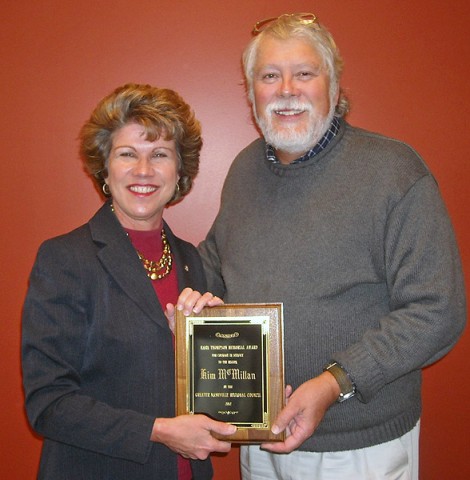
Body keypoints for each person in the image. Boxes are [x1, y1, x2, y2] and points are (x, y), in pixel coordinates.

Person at [195, 13, 467, 480]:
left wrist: (333, 383)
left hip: (359, 447)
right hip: (261, 441)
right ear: (251, 93)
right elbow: (215, 268)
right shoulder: (243, 170)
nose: (286, 90)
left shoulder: (394, 172)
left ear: (334, 88)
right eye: (269, 76)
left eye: (304, 73)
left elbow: (437, 310)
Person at [21, 83, 236, 480]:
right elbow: (48, 403)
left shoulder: (192, 259)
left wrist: (261, 394)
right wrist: (158, 432)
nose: (143, 170)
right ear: (104, 167)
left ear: (179, 171)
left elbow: (205, 385)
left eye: (159, 154)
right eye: (127, 154)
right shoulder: (65, 259)